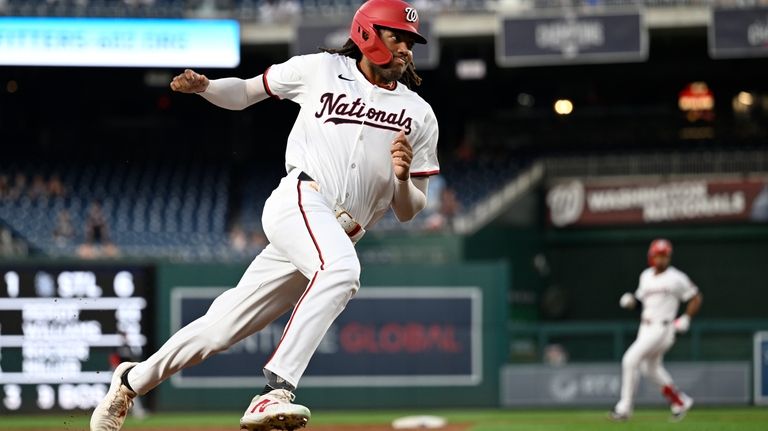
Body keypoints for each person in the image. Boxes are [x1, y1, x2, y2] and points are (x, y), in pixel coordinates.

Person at [89, 1, 439, 430]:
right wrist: (207, 87)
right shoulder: (321, 70)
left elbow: (409, 209)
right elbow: (248, 91)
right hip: (301, 200)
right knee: (342, 272)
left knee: (220, 329)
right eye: (396, 36)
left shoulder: (419, 113)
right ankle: (276, 390)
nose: (405, 47)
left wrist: (403, 179)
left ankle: (130, 379)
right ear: (368, 34)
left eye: (410, 41)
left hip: (337, 232)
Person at [610, 238, 703, 422]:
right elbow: (640, 302)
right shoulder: (645, 276)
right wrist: (631, 302)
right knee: (649, 368)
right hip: (645, 327)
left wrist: (686, 318)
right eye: (658, 255)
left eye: (664, 256)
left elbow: (696, 297)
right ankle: (680, 401)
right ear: (651, 256)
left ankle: (624, 408)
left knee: (630, 359)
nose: (661, 260)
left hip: (663, 328)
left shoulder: (676, 277)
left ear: (669, 257)